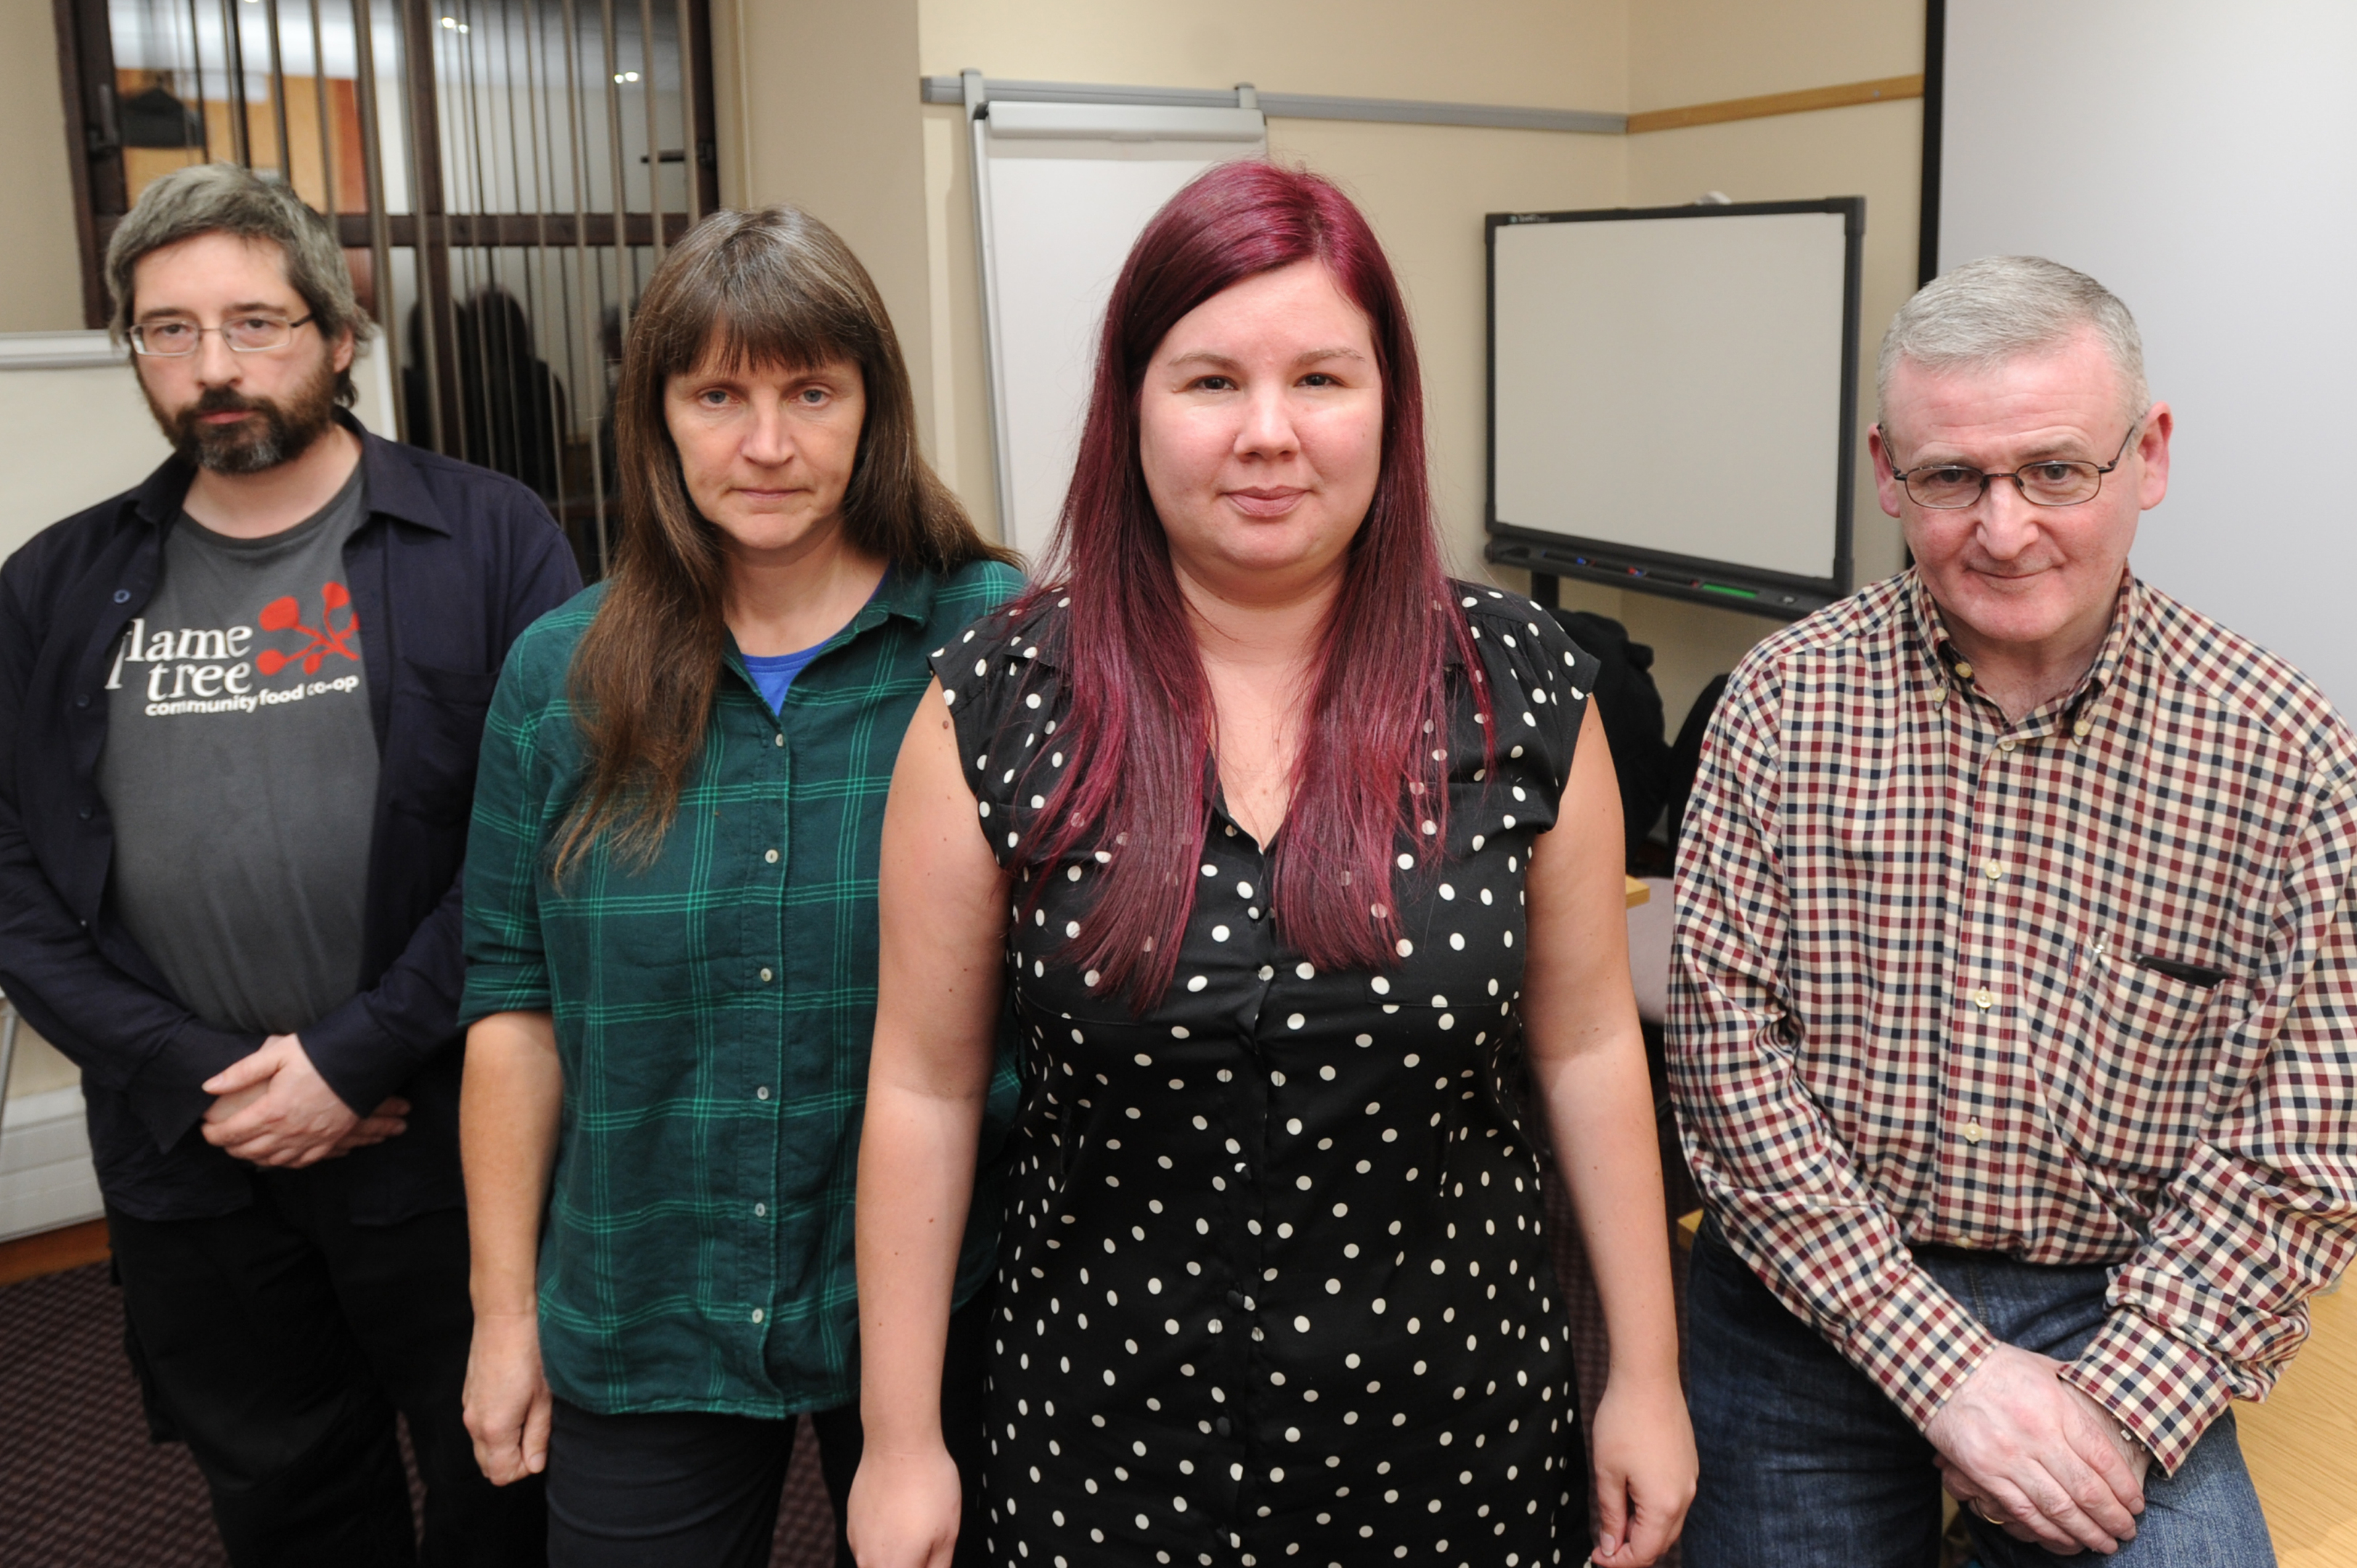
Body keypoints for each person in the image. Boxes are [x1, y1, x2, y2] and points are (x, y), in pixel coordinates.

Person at [848, 160, 1696, 1568]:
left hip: (1457, 1436)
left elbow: (1596, 1046)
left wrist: (1647, 1382)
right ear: (1132, 408)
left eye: (1320, 378)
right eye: (1208, 383)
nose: (1268, 435)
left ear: (1389, 406)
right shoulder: (992, 705)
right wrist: (897, 1443)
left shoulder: (1526, 690)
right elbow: (923, 1090)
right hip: (1105, 1442)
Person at [1670, 255, 2357, 1566]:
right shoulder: (1781, 704)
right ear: (1887, 472)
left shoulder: (2283, 753)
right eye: (1950, 479)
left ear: (2146, 456)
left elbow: (2300, 1144)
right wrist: (1939, 1371)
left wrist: (2117, 1408)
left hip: (2119, 1311)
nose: (2002, 528)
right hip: (1804, 1293)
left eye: (2053, 470)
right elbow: (1724, 1067)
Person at [0, 162, 576, 1564]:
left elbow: (560, 836)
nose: (213, 368)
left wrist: (352, 1057)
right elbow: (12, 878)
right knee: (283, 1502)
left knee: (506, 1486)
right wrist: (208, 1074)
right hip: (189, 1156)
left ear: (335, 331)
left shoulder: (488, 538)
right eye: (169, 330)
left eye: (255, 322)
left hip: (446, 1139)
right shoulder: (54, 587)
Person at [456, 205, 1022, 1568]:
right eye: (717, 395)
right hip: (650, 1301)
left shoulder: (996, 642)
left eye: (810, 393)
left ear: (871, 406)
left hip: (957, 1301)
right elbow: (512, 1005)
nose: (766, 446)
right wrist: (502, 1313)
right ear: (655, 417)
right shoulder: (558, 675)